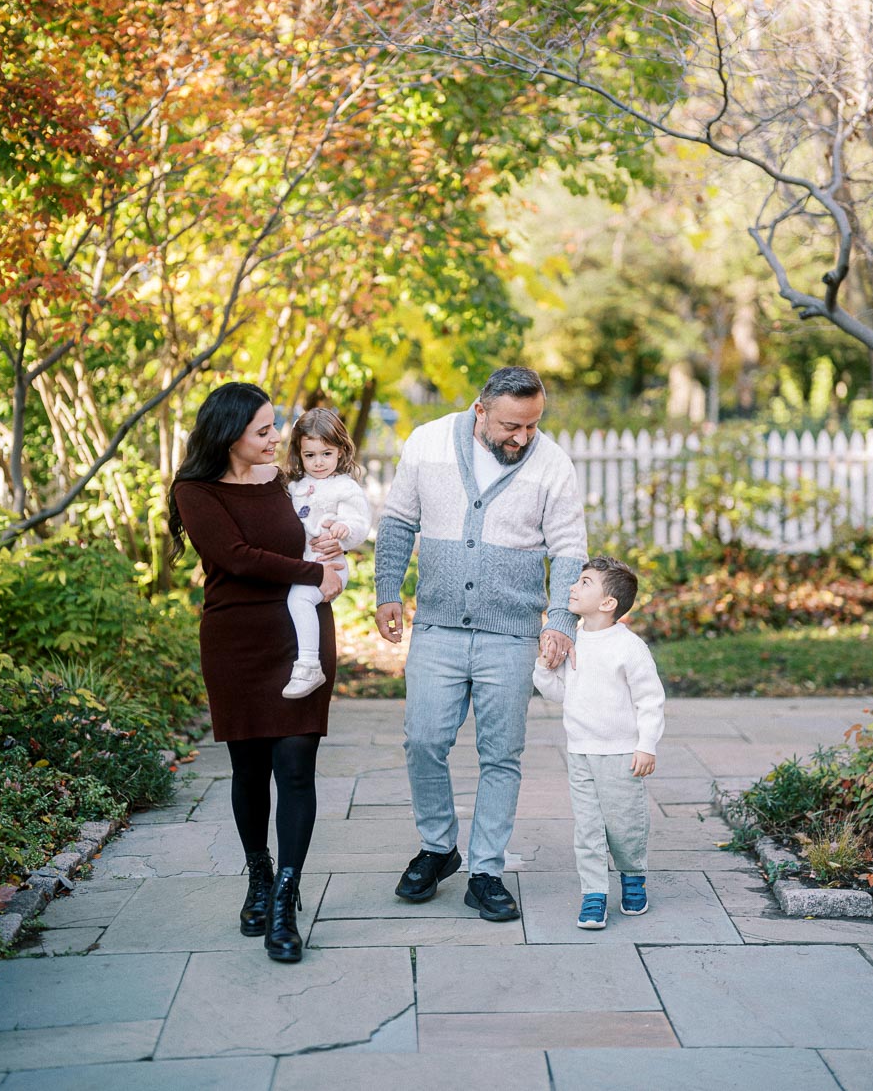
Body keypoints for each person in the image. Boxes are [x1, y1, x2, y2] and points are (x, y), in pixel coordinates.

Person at [375, 366, 587, 922]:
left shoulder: (553, 463)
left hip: (512, 634)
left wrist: (561, 620)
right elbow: (398, 521)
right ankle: (439, 847)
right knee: (423, 740)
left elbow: (568, 548)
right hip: (439, 626)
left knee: (501, 755)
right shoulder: (426, 443)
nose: (522, 437)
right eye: (511, 426)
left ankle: (486, 869)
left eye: (532, 425)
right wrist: (386, 591)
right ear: (480, 411)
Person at [167, 382, 344, 963]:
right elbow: (235, 557)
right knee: (249, 767)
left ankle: (287, 894)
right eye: (264, 429)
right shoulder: (195, 492)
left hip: (300, 637)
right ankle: (259, 876)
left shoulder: (290, 486)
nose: (277, 438)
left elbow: (327, 534)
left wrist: (332, 556)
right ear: (230, 435)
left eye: (275, 427)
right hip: (237, 640)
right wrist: (311, 575)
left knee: (295, 765)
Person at [532, 555, 665, 930]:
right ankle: (593, 893)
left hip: (622, 754)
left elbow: (650, 700)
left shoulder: (629, 647)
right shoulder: (572, 639)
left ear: (608, 604)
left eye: (585, 583)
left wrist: (647, 744)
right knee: (587, 827)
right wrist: (543, 666)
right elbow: (561, 693)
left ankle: (632, 876)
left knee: (625, 825)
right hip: (580, 752)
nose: (573, 587)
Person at [282, 409, 371, 699]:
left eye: (326, 453)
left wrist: (344, 528)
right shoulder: (295, 486)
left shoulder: (344, 487)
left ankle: (308, 664)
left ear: (341, 451)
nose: (318, 462)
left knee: (299, 598)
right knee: (295, 596)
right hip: (305, 563)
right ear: (299, 454)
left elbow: (359, 523)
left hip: (330, 564)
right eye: (310, 455)